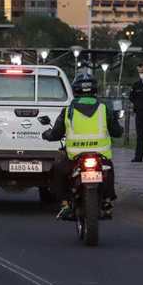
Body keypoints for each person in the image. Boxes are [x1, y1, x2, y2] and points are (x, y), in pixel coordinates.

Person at [42, 72, 123, 219]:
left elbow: (56, 134)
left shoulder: (68, 111)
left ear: (75, 90)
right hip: (100, 155)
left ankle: (65, 204)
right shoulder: (105, 109)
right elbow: (117, 132)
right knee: (109, 170)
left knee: (58, 170)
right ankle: (106, 200)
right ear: (95, 90)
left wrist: (46, 135)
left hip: (74, 157)